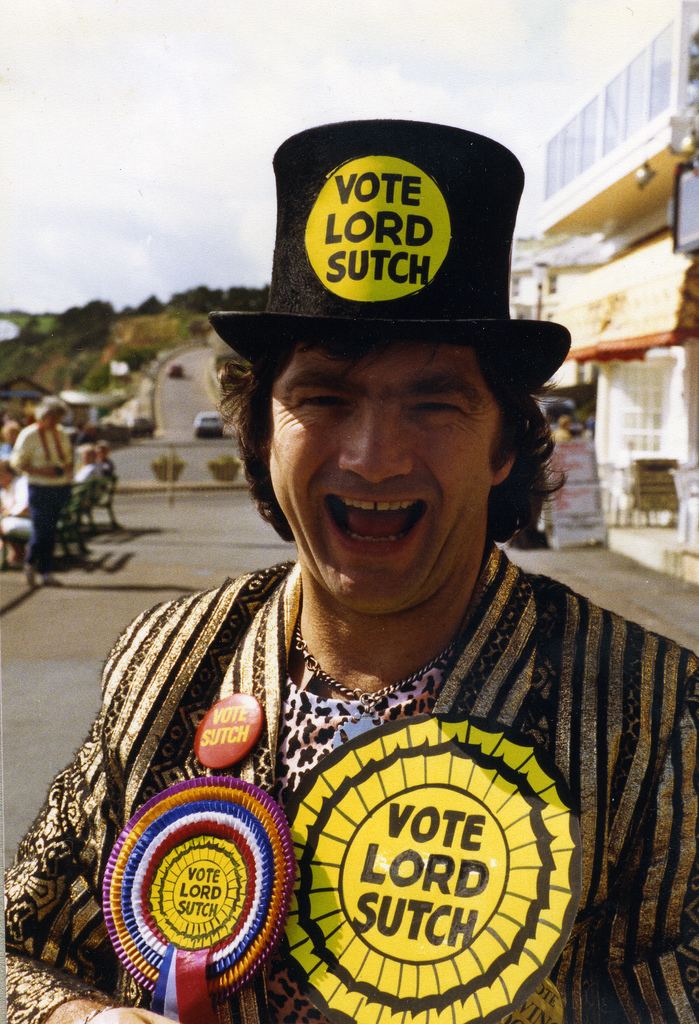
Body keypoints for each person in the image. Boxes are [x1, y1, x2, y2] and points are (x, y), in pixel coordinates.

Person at [5, 121, 698, 1024]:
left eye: (434, 402)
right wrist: (90, 1019)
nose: (372, 459)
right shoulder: (163, 658)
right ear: (261, 432)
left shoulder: (649, 713)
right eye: (324, 397)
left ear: (502, 444)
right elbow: (29, 944)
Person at [10, 396, 73, 586]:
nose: (55, 422)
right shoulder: (29, 435)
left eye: (58, 418)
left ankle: (45, 570)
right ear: (44, 416)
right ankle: (30, 563)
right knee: (41, 529)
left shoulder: (60, 433)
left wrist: (67, 468)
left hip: (59, 486)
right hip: (40, 487)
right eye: (52, 418)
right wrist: (41, 470)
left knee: (51, 530)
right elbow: (18, 463)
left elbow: (68, 455)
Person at [0, 459, 31, 565]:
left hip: (33, 522)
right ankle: (17, 554)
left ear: (8, 473)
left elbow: (24, 508)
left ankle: (16, 554)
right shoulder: (5, 489)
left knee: (3, 523)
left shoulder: (21, 483)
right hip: (19, 520)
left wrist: (6, 513)